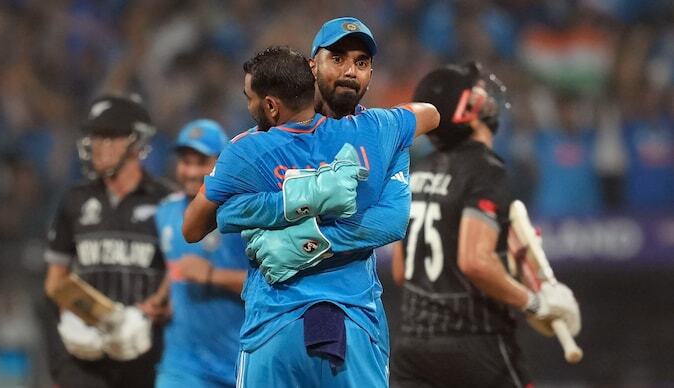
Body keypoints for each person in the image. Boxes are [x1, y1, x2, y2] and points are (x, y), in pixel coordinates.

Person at [182, 46, 439, 387]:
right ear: (313, 72)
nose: (349, 70)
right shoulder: (371, 132)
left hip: (273, 325)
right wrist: (309, 197)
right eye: (339, 59)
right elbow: (431, 114)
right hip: (352, 323)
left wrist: (294, 230)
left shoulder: (244, 150)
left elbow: (193, 226)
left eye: (250, 98)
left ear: (271, 105)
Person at [214, 15, 410, 371]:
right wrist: (293, 203)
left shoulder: (384, 133)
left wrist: (305, 241)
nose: (350, 70)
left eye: (361, 63)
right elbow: (224, 213)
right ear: (311, 65)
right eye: (337, 58)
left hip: (353, 319)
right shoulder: (260, 144)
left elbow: (391, 221)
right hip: (272, 319)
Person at [390, 63, 581, 388]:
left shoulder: (417, 170)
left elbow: (401, 270)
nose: (488, 98)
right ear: (468, 110)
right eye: (479, 93)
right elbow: (475, 261)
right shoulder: (486, 170)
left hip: (412, 345)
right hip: (474, 343)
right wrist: (535, 303)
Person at [43, 95, 173, 388]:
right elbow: (54, 283)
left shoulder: (167, 202)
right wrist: (94, 317)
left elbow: (179, 271)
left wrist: (154, 307)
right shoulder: (73, 200)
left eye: (109, 137)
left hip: (146, 353)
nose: (97, 145)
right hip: (83, 353)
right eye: (95, 136)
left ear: (137, 143)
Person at [154, 119, 248, 388]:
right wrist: (161, 299)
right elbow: (174, 266)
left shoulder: (242, 213)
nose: (192, 172)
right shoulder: (165, 212)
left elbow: (269, 284)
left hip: (239, 363)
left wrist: (212, 275)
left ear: (221, 163)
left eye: (202, 162)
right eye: (186, 162)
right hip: (182, 368)